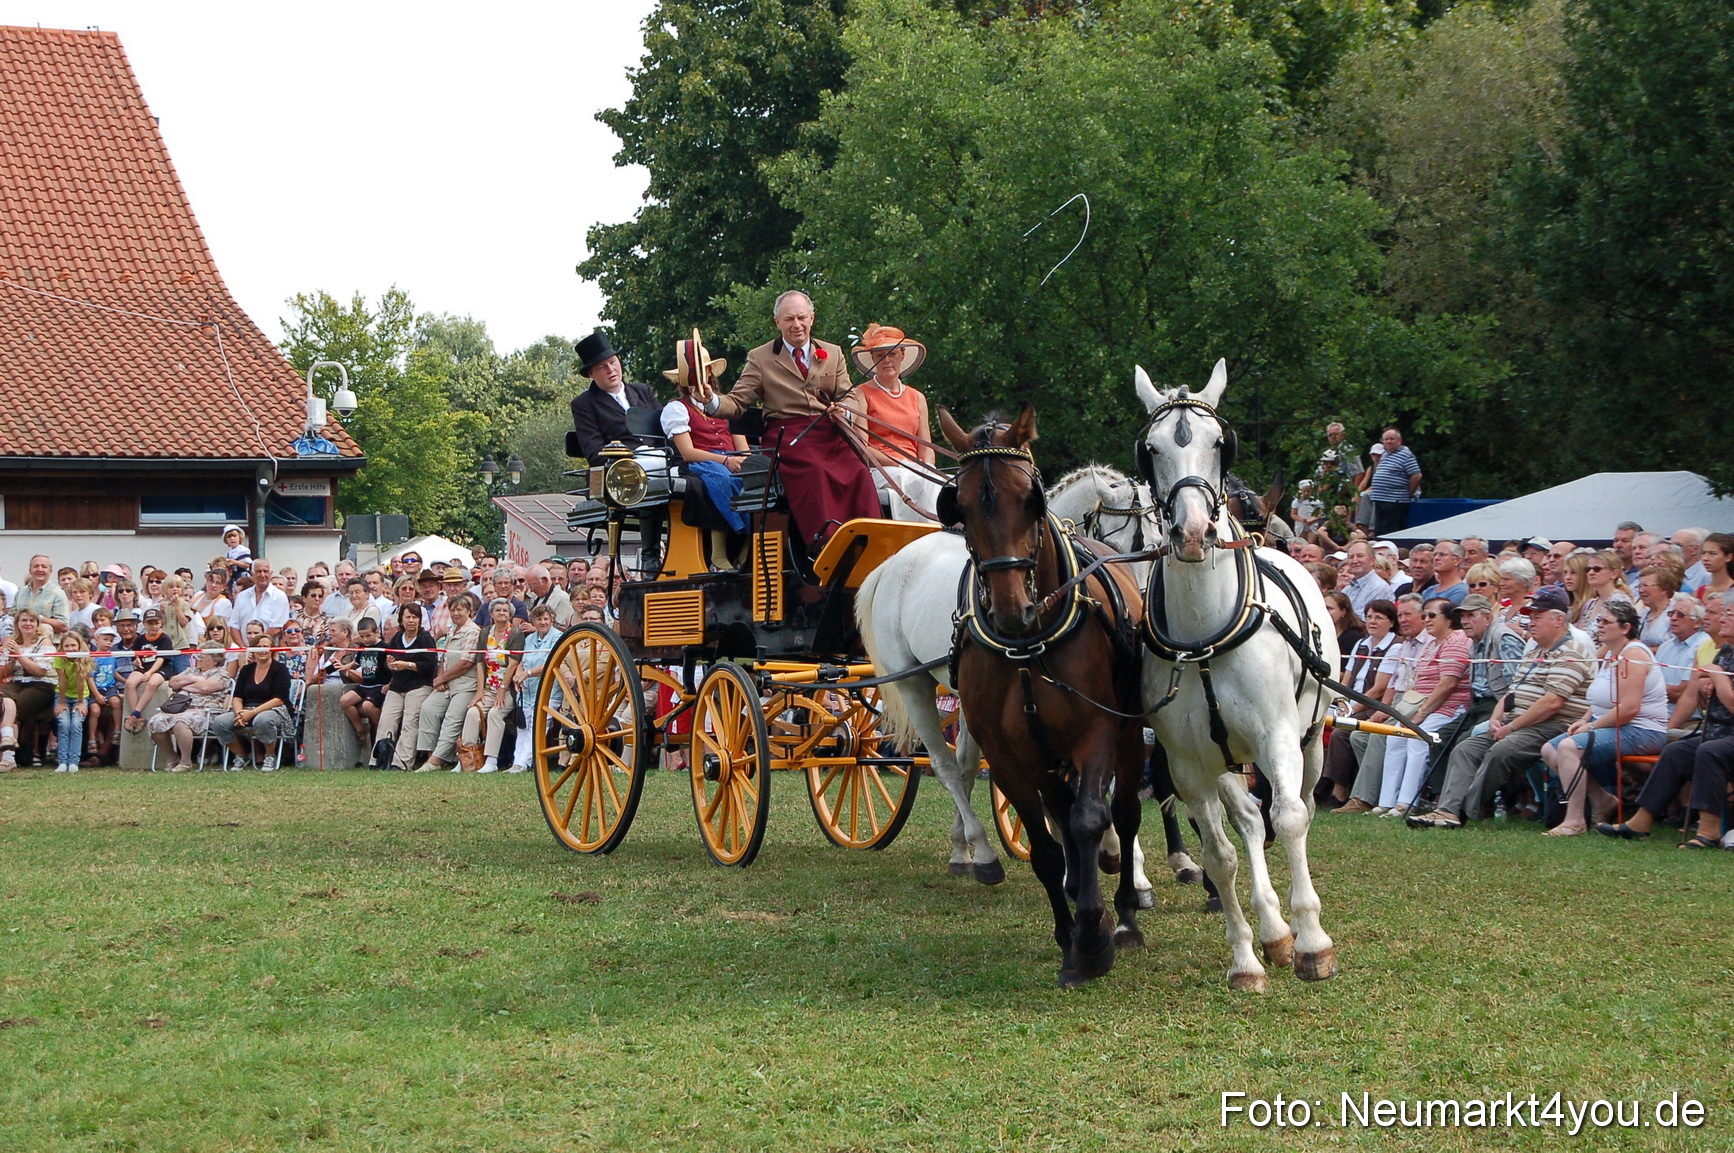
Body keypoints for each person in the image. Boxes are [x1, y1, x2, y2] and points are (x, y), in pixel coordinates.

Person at [693, 289, 878, 551]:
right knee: (815, 469)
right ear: (777, 322)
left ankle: (867, 540)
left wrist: (844, 409)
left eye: (802, 318)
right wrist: (710, 399)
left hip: (829, 432)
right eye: (789, 319)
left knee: (858, 469)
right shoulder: (760, 358)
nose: (797, 325)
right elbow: (736, 403)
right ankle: (827, 543)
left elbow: (850, 394)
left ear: (812, 318)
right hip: (790, 437)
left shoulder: (833, 353)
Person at [1408, 585, 1596, 829]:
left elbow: (1552, 703)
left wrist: (1511, 726)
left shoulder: (1572, 652)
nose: (1531, 623)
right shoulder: (1536, 650)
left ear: (1559, 620)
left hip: (1554, 724)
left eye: (1538, 618)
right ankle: (1447, 810)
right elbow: (1511, 691)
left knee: (1501, 751)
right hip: (1517, 720)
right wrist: (1498, 717)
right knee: (1466, 748)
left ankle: (1462, 810)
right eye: (1530, 617)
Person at [1599, 603, 1734, 846]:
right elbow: (1706, 702)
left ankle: (1709, 830)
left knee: (1709, 751)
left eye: (1729, 614)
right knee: (1675, 751)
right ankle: (1640, 822)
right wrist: (1707, 689)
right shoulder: (1725, 652)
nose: (1722, 619)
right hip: (1718, 732)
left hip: (1725, 740)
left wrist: (1718, 678)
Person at [1539, 600, 1668, 836]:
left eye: (1606, 622)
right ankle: (1602, 800)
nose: (1599, 626)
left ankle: (1575, 821)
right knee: (1550, 750)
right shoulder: (1612, 654)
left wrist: (1592, 726)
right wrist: (1585, 718)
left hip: (1643, 730)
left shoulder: (1634, 655)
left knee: (1568, 748)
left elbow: (1629, 709)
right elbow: (1602, 699)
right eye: (1598, 620)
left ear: (1625, 628)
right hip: (1616, 726)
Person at [1375, 596, 1471, 817]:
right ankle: (1387, 802)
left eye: (1432, 615)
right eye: (1424, 615)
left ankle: (1407, 803)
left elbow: (1448, 683)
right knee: (1395, 736)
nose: (1426, 619)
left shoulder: (1456, 640)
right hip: (1424, 704)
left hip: (1449, 706)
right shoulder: (1432, 642)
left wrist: (1421, 712)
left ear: (1449, 620)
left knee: (1418, 739)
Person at [661, 331, 752, 547]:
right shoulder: (677, 408)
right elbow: (688, 453)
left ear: (710, 372)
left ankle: (756, 539)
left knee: (758, 481)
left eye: (701, 371)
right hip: (701, 462)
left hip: (732, 458)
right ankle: (739, 540)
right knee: (723, 479)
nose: (697, 378)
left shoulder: (726, 405)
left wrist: (748, 465)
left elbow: (743, 448)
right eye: (691, 374)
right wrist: (726, 461)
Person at [851, 323, 941, 523]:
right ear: (873, 361)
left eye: (892, 354)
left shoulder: (917, 397)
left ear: (902, 356)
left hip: (915, 468)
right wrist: (903, 464)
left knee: (940, 483)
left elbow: (925, 446)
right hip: (882, 470)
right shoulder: (861, 393)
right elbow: (863, 446)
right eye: (879, 356)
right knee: (912, 480)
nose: (887, 360)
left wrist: (926, 467)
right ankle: (920, 535)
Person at [209, 621, 296, 771]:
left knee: (263, 720)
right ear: (253, 650)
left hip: (274, 709)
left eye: (265, 647)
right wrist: (239, 712)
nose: (262, 650)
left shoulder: (280, 669)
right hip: (246, 709)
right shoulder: (246, 670)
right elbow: (237, 696)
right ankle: (241, 756)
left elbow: (279, 699)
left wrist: (253, 713)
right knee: (219, 722)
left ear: (272, 649)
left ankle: (270, 755)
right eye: (259, 647)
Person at [415, 593, 480, 772]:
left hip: (466, 685)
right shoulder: (452, 629)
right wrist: (440, 678)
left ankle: (435, 762)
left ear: (469, 611)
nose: (456, 613)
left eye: (460, 609)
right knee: (429, 708)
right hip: (448, 684)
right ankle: (430, 756)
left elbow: (466, 663)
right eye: (453, 609)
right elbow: (444, 656)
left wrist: (443, 678)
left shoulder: (473, 631)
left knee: (452, 719)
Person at [147, 647, 233, 772]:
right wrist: (193, 679)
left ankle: (186, 761)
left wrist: (185, 685)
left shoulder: (221, 674)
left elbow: (205, 688)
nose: (200, 658)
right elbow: (172, 683)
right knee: (155, 721)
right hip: (180, 708)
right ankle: (173, 757)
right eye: (199, 655)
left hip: (206, 711)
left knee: (181, 722)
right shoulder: (191, 671)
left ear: (215, 660)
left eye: (204, 656)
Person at [373, 604, 438, 771]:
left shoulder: (425, 638)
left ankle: (401, 762)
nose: (411, 621)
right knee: (386, 721)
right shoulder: (397, 638)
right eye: (408, 617)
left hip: (419, 686)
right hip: (397, 686)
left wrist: (408, 665)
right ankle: (379, 760)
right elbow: (389, 661)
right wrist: (391, 664)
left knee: (410, 722)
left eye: (414, 617)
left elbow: (429, 665)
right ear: (401, 619)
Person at [463, 598, 523, 774]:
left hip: (507, 689)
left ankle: (492, 760)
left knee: (496, 714)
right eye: (498, 610)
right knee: (473, 711)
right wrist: (479, 691)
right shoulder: (485, 632)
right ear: (491, 614)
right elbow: (480, 662)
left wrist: (502, 691)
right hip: (488, 687)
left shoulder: (515, 633)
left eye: (505, 610)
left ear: (510, 614)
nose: (502, 613)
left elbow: (513, 664)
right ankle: (467, 756)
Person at [509, 603, 560, 773]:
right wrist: (518, 675)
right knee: (523, 726)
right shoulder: (530, 638)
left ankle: (525, 762)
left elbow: (551, 664)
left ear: (552, 620)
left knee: (537, 725)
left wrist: (528, 673)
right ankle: (517, 761)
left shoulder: (557, 637)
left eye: (546, 618)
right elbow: (522, 661)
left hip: (549, 691)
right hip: (527, 691)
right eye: (539, 619)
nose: (543, 622)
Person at [339, 616, 390, 758]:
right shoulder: (362, 648)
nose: (366, 640)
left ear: (376, 632)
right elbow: (356, 663)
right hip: (364, 685)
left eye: (369, 636)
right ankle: (360, 728)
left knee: (368, 706)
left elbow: (392, 668)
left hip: (378, 685)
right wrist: (345, 667)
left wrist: (390, 684)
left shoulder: (385, 648)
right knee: (345, 701)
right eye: (362, 637)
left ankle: (381, 732)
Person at [122, 609, 175, 732]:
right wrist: (136, 661)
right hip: (143, 667)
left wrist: (150, 672)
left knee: (152, 683)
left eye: (156, 623)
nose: (153, 626)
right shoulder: (140, 639)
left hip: (161, 668)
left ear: (161, 623)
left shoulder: (164, 638)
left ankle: (136, 712)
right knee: (130, 683)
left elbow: (161, 659)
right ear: (144, 624)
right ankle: (136, 716)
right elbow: (135, 655)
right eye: (150, 623)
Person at [52, 630, 95, 773]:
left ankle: (74, 762)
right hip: (62, 695)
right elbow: (62, 681)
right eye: (67, 646)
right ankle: (63, 761)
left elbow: (81, 682)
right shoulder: (59, 658)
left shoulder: (84, 658)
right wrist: (62, 702)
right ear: (62, 647)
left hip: (80, 695)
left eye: (73, 645)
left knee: (76, 724)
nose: (70, 649)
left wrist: (81, 702)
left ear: (79, 646)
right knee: (64, 723)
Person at [1654, 594, 1710, 704]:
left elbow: (1681, 692)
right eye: (1671, 613)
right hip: (1657, 711)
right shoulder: (1665, 646)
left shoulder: (1703, 645)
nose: (1673, 618)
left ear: (1697, 622)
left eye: (1680, 614)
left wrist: (1646, 687)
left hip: (1689, 718)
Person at [1365, 428, 1422, 536]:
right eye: (1386, 439)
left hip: (1394, 501)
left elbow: (1417, 475)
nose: (1388, 441)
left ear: (1399, 441)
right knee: (1380, 531)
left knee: (1390, 532)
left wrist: (1409, 493)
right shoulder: (1386, 454)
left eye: (1392, 439)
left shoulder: (1406, 454)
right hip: (1381, 499)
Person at [230, 560, 291, 646]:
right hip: (244, 651)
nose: (262, 575)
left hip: (268, 651)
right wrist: (244, 649)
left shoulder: (279, 596)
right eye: (259, 571)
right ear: (252, 574)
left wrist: (257, 648)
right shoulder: (242, 596)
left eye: (265, 571)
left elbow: (276, 629)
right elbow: (234, 626)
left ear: (271, 574)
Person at [14, 555, 71, 636]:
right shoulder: (21, 592)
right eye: (36, 566)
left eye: (44, 567)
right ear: (30, 571)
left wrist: (39, 618)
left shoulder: (58, 594)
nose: (40, 569)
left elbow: (64, 626)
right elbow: (12, 615)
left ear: (50, 571)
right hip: (21, 644)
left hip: (48, 645)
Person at [1341, 541, 1393, 618]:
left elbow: (1367, 622)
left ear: (1372, 561)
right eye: (1351, 557)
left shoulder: (1378, 587)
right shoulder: (1347, 589)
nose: (1355, 561)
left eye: (1360, 556)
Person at [1634, 567, 1681, 650]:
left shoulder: (1676, 613)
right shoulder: (1642, 615)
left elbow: (1677, 646)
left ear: (1663, 589)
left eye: (1645, 586)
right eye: (1639, 586)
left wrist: (1644, 651)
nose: (1641, 590)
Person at [1323, 592, 1364, 670]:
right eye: (1323, 608)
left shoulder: (1353, 637)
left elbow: (1346, 672)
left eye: (1329, 608)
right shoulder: (1322, 633)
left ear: (1343, 611)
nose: (1325, 612)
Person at [523, 564, 573, 628]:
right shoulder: (537, 596)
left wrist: (536, 630)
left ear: (544, 580)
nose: (532, 590)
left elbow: (563, 628)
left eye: (533, 585)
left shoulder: (562, 598)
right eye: (529, 586)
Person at [1696, 532, 1734, 602]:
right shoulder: (1699, 592)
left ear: (1728, 557)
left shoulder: (1731, 590)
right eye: (1703, 553)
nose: (1705, 558)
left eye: (1712, 553)